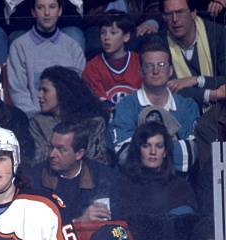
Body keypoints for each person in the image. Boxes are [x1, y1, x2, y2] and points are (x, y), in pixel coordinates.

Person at [116, 121, 198, 240]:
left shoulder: (181, 186)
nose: (153, 152)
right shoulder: (123, 184)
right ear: (138, 150)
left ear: (166, 152)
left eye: (159, 146)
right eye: (146, 146)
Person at [109, 38, 199, 173]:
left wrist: (145, 151)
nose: (155, 71)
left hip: (178, 185)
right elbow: (124, 155)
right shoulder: (125, 106)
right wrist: (170, 150)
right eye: (149, 66)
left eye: (162, 64)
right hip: (136, 185)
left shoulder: (188, 106)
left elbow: (191, 153)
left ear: (170, 70)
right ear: (140, 71)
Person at [7, 0, 86, 115]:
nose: (47, 13)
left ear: (60, 11)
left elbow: (79, 89)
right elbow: (18, 92)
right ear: (33, 12)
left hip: (68, 119)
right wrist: (36, 119)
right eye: (40, 8)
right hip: (33, 121)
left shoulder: (73, 47)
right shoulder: (19, 46)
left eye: (52, 7)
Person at [29, 121, 118, 220]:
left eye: (61, 149)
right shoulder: (35, 178)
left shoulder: (103, 176)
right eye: (51, 147)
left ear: (79, 154)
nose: (52, 154)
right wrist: (80, 222)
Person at [29, 65, 109, 165]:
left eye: (45, 90)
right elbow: (40, 159)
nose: (39, 95)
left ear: (62, 91)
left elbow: (99, 160)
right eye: (39, 90)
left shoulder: (94, 123)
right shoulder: (37, 122)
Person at [161, 0, 226, 107]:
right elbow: (167, 89)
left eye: (180, 12)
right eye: (169, 14)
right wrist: (210, 95)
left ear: (193, 13)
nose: (175, 19)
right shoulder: (159, 43)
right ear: (163, 17)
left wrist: (196, 80)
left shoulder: (217, 34)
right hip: (181, 113)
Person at [82, 11, 142, 112]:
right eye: (103, 32)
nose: (106, 38)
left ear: (126, 36)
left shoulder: (139, 62)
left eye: (113, 33)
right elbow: (101, 103)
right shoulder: (92, 68)